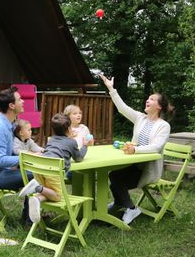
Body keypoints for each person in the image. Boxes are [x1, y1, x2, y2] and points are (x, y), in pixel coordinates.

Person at [100, 74, 174, 225]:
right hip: (133, 164)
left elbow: (156, 147)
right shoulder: (140, 118)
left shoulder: (164, 126)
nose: (148, 100)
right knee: (114, 175)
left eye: (152, 99)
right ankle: (120, 203)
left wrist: (135, 150)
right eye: (148, 98)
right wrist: (111, 88)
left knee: (117, 178)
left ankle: (131, 208)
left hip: (147, 169)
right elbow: (122, 108)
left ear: (159, 106)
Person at [18, 113, 87, 223]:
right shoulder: (71, 142)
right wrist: (86, 146)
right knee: (57, 196)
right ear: (69, 128)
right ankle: (37, 188)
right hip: (52, 171)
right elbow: (78, 158)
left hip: (39, 170)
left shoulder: (51, 140)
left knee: (50, 192)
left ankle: (37, 197)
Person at [0, 86, 33, 223]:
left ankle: (29, 216)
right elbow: (0, 160)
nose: (23, 102)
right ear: (11, 105)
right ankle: (29, 219)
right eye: (20, 99)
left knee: (35, 171)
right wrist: (25, 156)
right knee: (34, 175)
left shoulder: (9, 123)